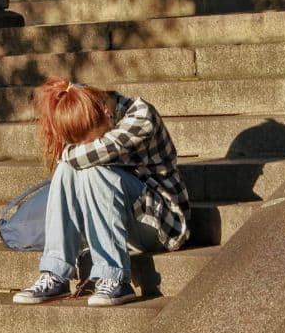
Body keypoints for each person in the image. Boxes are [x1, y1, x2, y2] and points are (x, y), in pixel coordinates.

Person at [12, 76, 190, 307]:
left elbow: (83, 154)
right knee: (70, 169)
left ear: (106, 112)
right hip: (123, 223)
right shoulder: (98, 117)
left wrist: (69, 153)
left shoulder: (141, 116)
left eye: (91, 139)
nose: (87, 144)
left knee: (90, 168)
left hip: (162, 225)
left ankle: (114, 278)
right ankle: (55, 272)